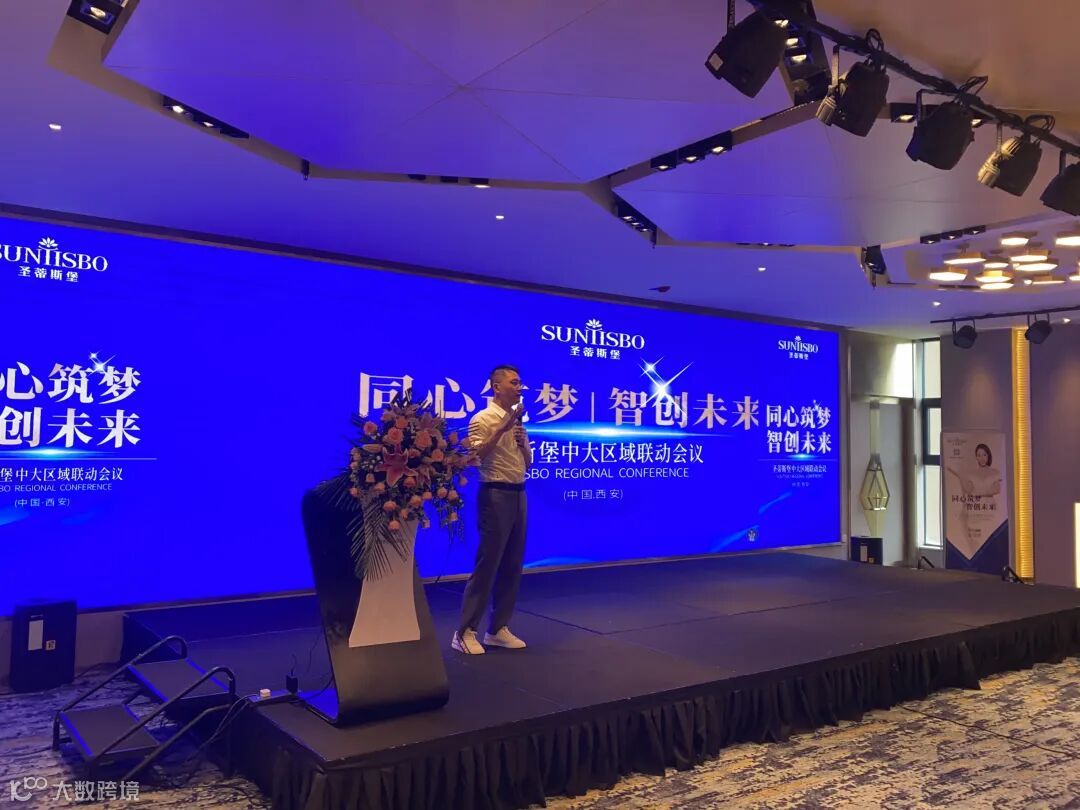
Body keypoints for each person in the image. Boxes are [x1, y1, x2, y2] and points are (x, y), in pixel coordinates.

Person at [452, 365, 532, 655]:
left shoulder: (519, 422)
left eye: (520, 383)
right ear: (496, 387)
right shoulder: (482, 418)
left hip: (519, 493)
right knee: (488, 564)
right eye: (514, 382)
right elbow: (474, 456)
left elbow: (528, 463)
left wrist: (522, 442)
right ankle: (464, 632)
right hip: (495, 493)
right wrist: (501, 429)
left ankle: (497, 629)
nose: (520, 387)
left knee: (513, 564)